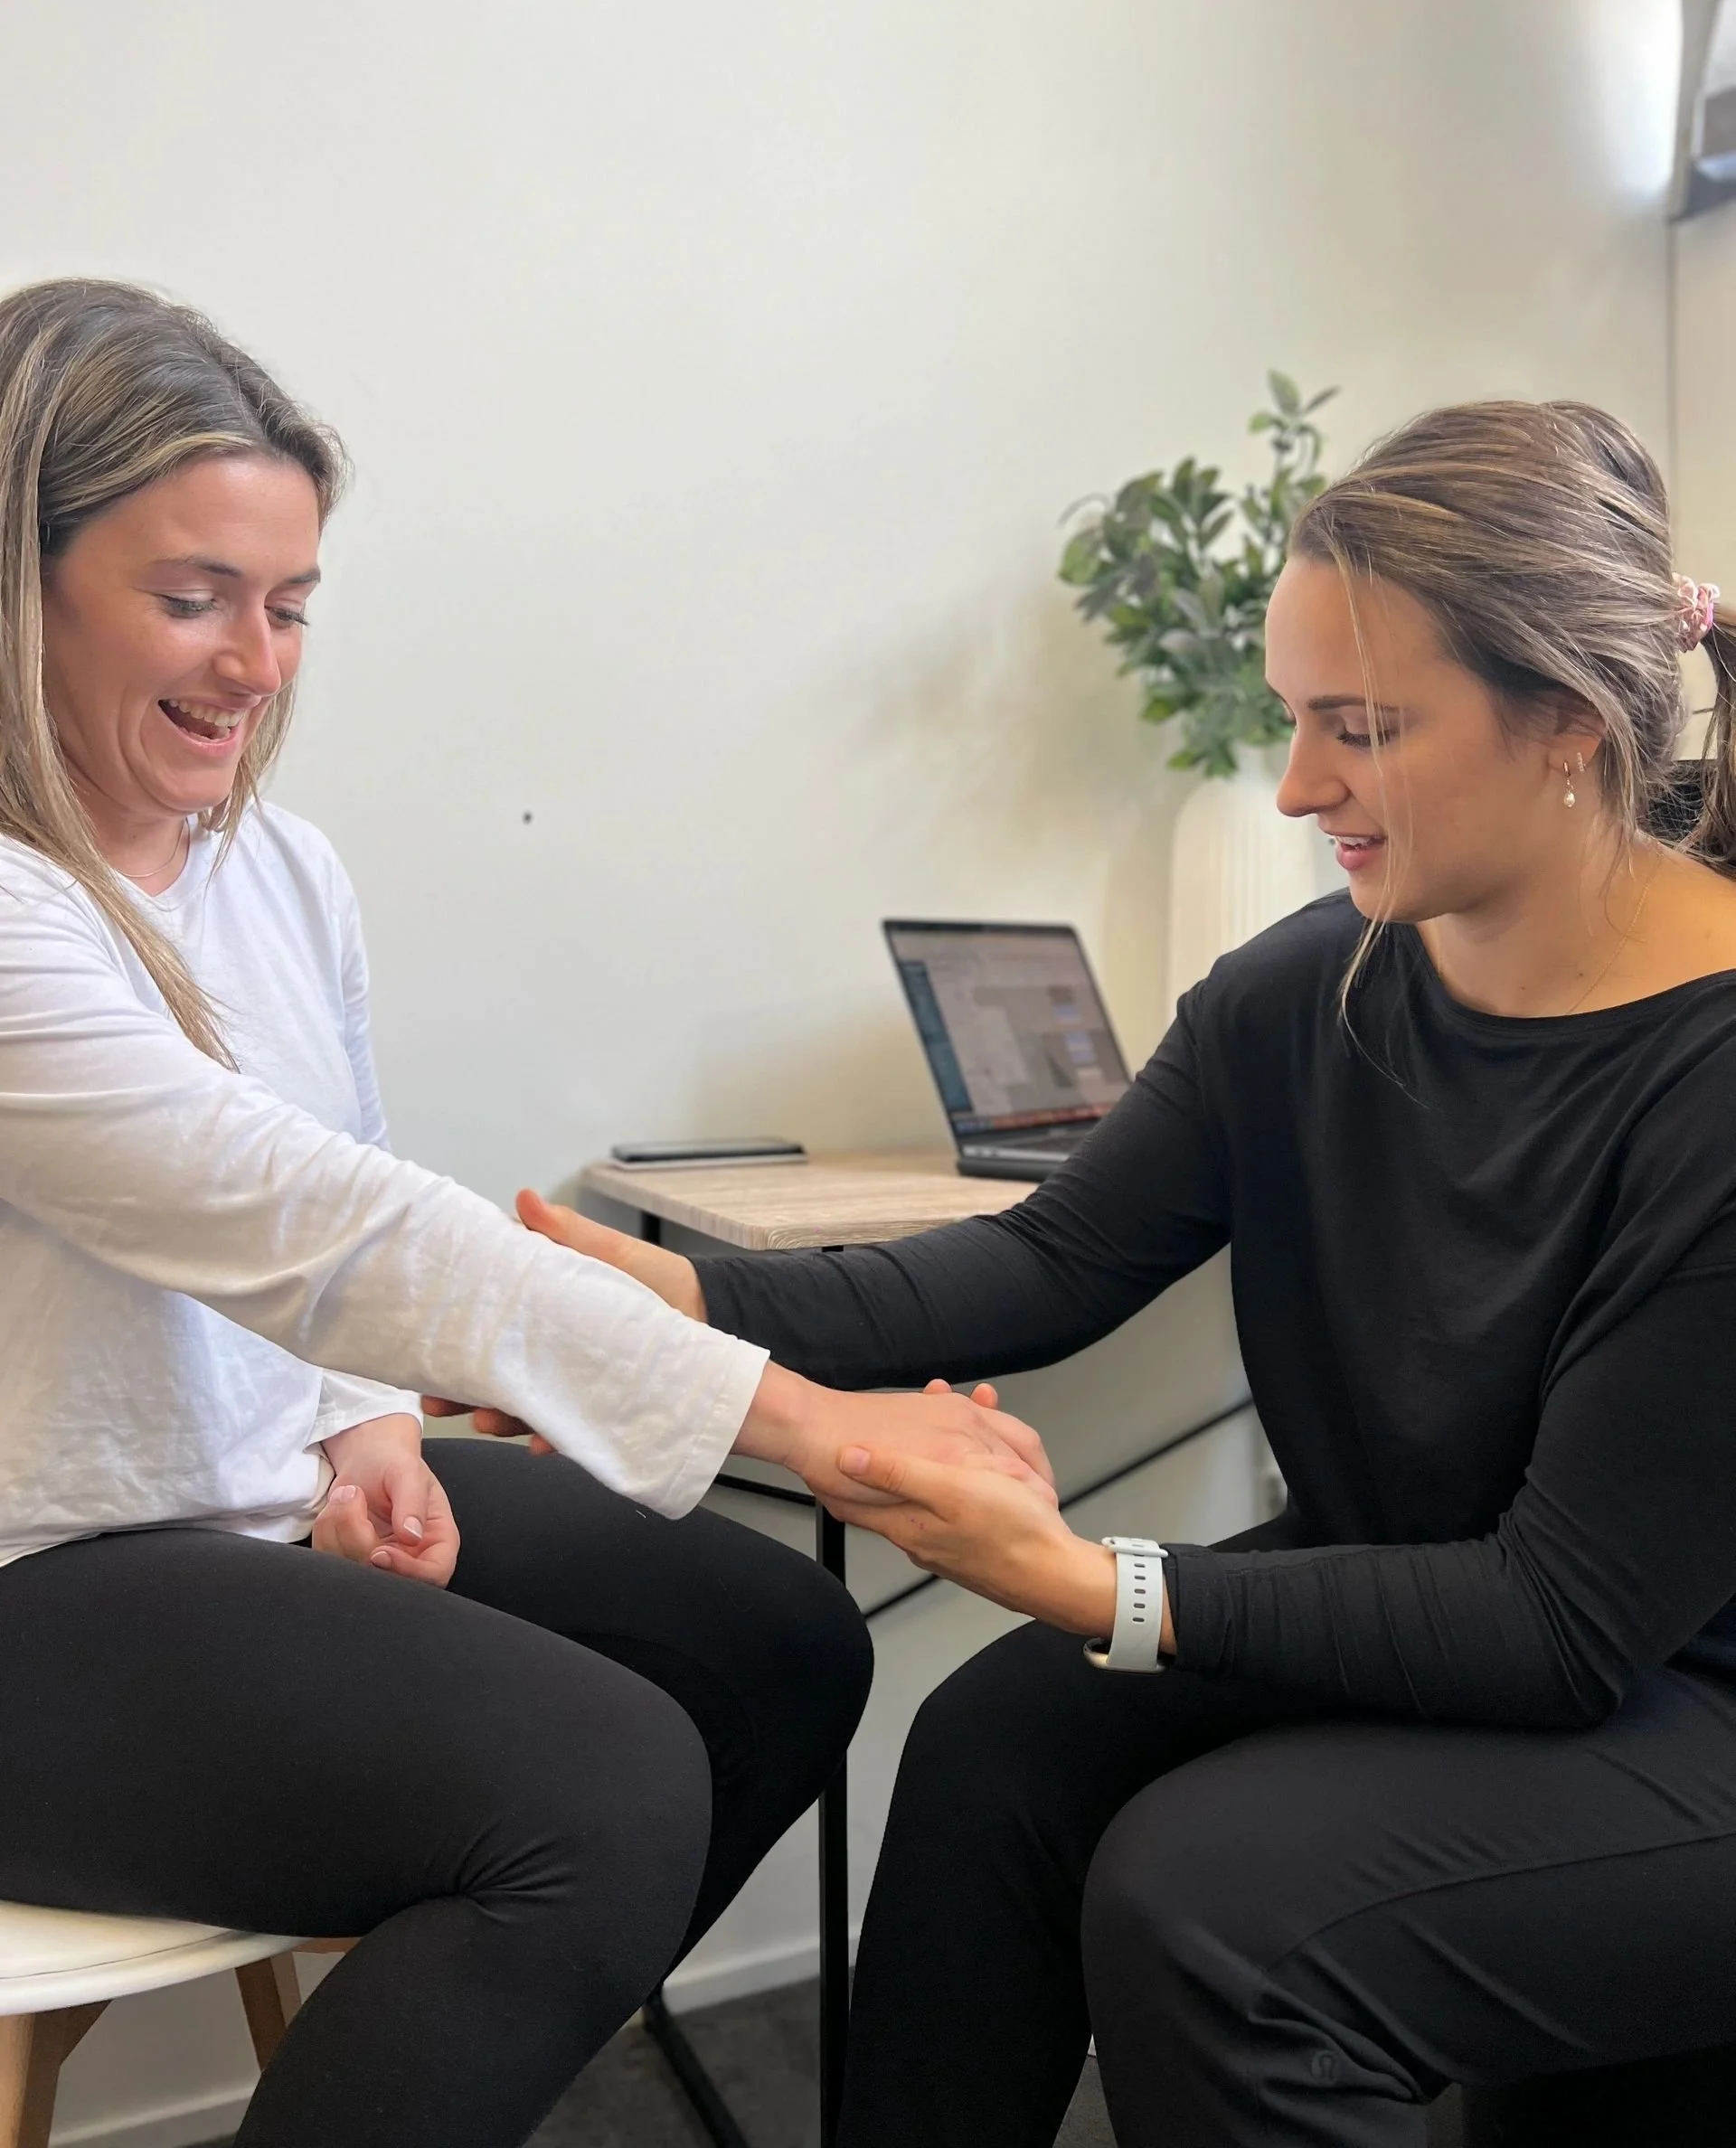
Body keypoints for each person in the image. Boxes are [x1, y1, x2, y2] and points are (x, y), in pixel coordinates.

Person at [506, 400, 1736, 2147]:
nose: (1300, 785)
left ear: (1569, 722)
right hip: (1465, 1601)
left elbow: (1558, 1625)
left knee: (1219, 1916)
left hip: (1676, 1690)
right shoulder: (1315, 986)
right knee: (998, 1749)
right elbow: (1052, 1259)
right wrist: (678, 1308)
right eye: (1295, 717)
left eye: (1360, 730)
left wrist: (1109, 1585)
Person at [0, 278, 1054, 2148]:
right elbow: (301, 1216)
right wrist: (821, 1431)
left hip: (239, 1508)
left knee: (781, 1646)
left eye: (293, 602)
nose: (257, 660)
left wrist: (365, 1422)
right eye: (192, 596)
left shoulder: (280, 864)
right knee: (603, 1788)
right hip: (38, 1569)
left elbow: (327, 1178)